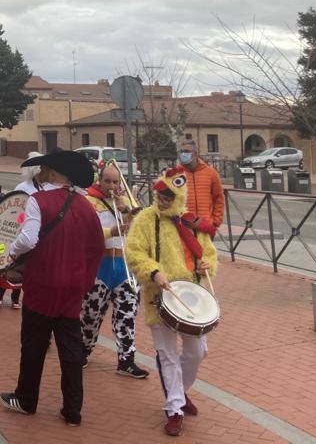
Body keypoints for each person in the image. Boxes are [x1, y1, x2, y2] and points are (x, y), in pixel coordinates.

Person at [0, 151, 104, 427]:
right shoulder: (86, 206)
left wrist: (9, 253)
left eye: (44, 168)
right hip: (72, 289)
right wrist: (84, 280)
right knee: (70, 349)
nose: (41, 172)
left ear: (56, 174)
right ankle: (72, 410)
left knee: (33, 345)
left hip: (42, 284)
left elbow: (27, 239)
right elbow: (96, 248)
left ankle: (26, 399)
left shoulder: (38, 201)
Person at [125, 166, 218, 437]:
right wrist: (154, 272)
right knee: (167, 355)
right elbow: (134, 252)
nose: (162, 199)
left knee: (198, 352)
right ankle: (175, 407)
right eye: (160, 194)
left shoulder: (192, 223)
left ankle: (180, 391)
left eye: (168, 196)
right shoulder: (145, 219)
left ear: (178, 197)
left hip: (191, 300)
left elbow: (210, 254)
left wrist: (206, 266)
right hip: (159, 297)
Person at [80, 163, 149, 378]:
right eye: (107, 181)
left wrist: (127, 211)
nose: (111, 185)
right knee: (91, 316)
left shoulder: (125, 201)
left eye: (116, 181)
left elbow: (139, 230)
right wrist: (111, 230)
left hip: (124, 266)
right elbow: (88, 235)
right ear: (99, 180)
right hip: (99, 267)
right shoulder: (89, 202)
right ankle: (83, 350)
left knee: (127, 315)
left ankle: (126, 360)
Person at [178, 140, 225, 228]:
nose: (183, 154)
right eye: (181, 151)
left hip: (205, 226)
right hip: (183, 227)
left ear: (195, 154)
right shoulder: (176, 173)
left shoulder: (211, 172)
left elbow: (218, 198)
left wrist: (215, 222)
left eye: (186, 151)